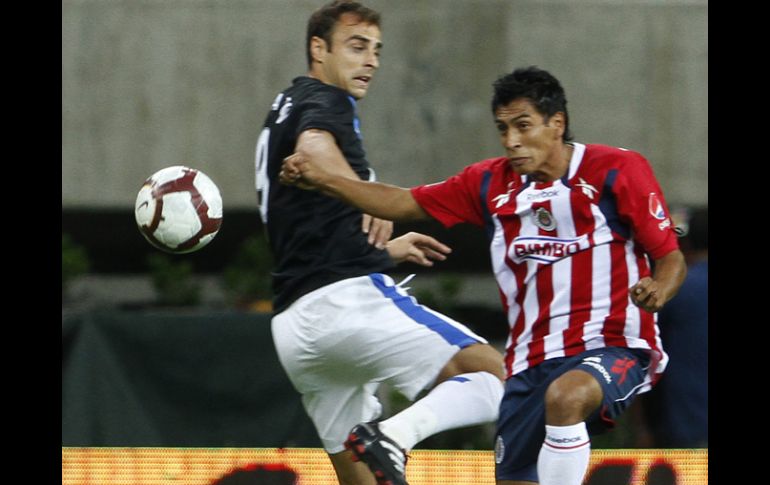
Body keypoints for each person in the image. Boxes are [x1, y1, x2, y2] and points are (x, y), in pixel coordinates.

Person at [281, 66, 688, 485]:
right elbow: (401, 203)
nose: (512, 141)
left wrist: (658, 289)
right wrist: (324, 180)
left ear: (557, 124)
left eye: (523, 126)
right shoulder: (490, 183)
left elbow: (670, 257)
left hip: (614, 346)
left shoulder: (617, 169)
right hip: (529, 365)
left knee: (566, 397)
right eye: (503, 129)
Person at [255, 2, 505, 484]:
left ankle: (381, 440)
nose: (370, 60)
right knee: (499, 377)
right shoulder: (325, 100)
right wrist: (364, 195)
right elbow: (314, 152)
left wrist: (382, 252)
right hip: (345, 306)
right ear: (318, 48)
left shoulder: (280, 108)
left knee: (364, 480)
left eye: (376, 50)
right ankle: (395, 433)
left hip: (295, 327)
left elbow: (308, 233)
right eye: (356, 46)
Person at [643, 206, 708, 448]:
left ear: (687, 243)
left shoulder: (676, 290)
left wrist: (645, 428)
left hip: (687, 425)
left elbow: (650, 354)